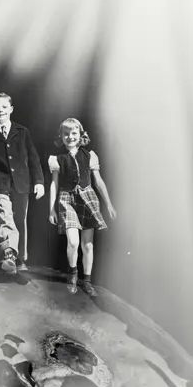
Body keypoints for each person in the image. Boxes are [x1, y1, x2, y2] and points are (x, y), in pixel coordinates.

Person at [48, 118, 116, 297]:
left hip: (87, 197)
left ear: (80, 135)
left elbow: (98, 181)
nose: (70, 137)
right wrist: (52, 209)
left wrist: (108, 203)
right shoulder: (57, 159)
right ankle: (73, 273)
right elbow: (54, 184)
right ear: (61, 137)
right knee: (73, 241)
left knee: (87, 245)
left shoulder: (90, 155)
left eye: (74, 133)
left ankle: (86, 281)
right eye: (66, 134)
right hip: (66, 198)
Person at [0, 93, 44, 274]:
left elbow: (33, 158)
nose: (0, 110)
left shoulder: (22, 132)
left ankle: (20, 259)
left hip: (22, 183)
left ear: (11, 109)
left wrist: (39, 182)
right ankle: (9, 255)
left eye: (4, 107)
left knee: (19, 221)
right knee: (5, 217)